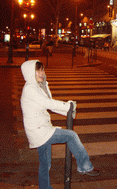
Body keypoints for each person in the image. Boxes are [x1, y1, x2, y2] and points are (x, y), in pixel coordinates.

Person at [20, 60, 100, 189]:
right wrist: (68, 106)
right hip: (39, 130)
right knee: (71, 136)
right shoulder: (30, 88)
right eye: (38, 70)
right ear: (30, 73)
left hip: (40, 129)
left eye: (42, 70)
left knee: (45, 164)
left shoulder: (39, 87)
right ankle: (85, 166)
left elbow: (49, 104)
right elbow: (49, 104)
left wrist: (67, 111)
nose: (42, 73)